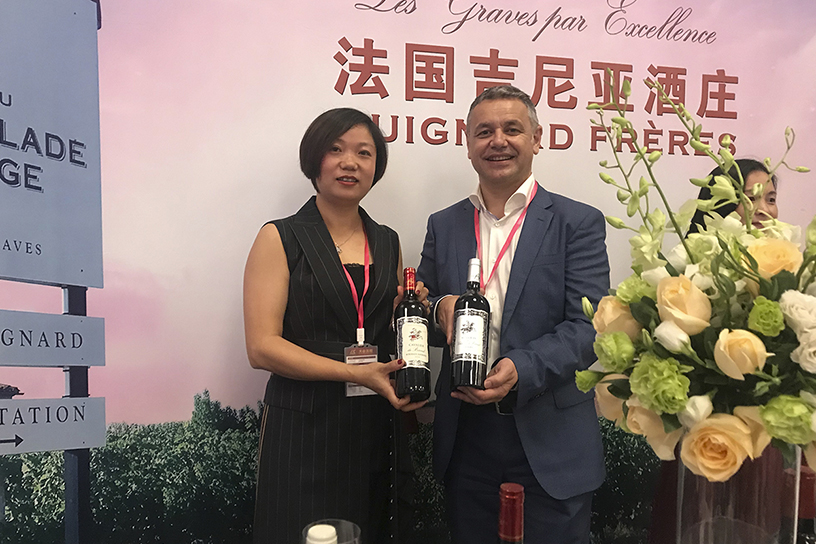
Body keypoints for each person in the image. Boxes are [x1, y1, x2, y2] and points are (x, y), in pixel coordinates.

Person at [416, 85, 610, 544]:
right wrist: (439, 307)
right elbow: (421, 311)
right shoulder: (444, 225)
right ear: (468, 145)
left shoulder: (576, 222)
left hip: (549, 435)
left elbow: (589, 328)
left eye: (512, 129)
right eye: (484, 132)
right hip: (467, 437)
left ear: (537, 139)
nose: (498, 141)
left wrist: (520, 369)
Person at [243, 108, 427, 544]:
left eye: (364, 153)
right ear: (315, 159)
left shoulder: (387, 241)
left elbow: (381, 327)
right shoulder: (280, 236)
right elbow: (261, 347)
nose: (350, 163)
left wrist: (408, 310)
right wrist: (352, 372)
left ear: (376, 167)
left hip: (373, 422)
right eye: (336, 149)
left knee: (372, 528)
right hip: (304, 425)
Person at [648, 157, 781, 544]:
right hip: (700, 440)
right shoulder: (687, 272)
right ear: (719, 205)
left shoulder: (792, 277)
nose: (762, 209)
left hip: (761, 443)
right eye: (749, 198)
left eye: (770, 198)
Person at [687, 158, 778, 234]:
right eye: (751, 198)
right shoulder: (691, 250)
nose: (764, 210)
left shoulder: (783, 247)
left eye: (771, 200)